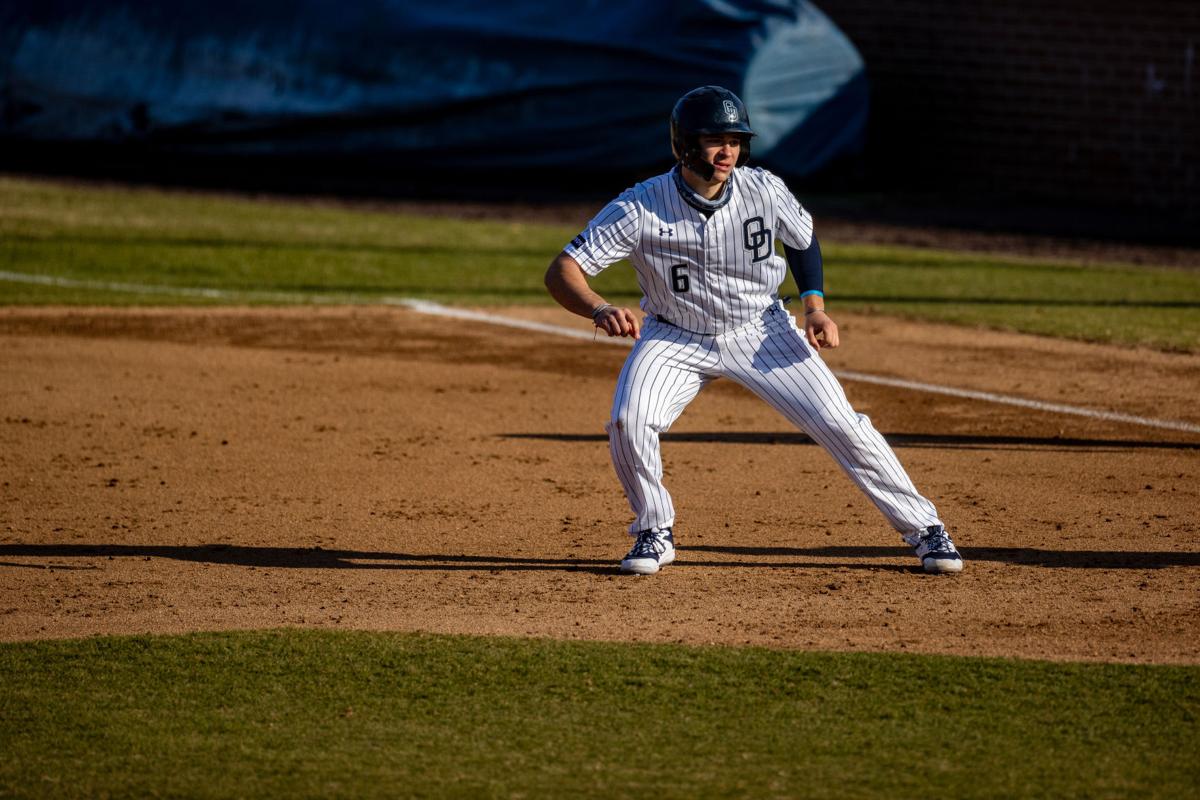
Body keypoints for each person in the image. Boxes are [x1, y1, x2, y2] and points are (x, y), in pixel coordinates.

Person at [544, 85, 962, 576]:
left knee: (842, 423)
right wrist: (598, 308)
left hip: (761, 330)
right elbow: (563, 270)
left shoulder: (764, 189)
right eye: (714, 141)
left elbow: (802, 240)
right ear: (684, 145)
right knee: (628, 421)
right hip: (674, 337)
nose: (728, 152)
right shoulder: (640, 206)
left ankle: (925, 528)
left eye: (735, 140)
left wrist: (815, 308)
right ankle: (654, 530)